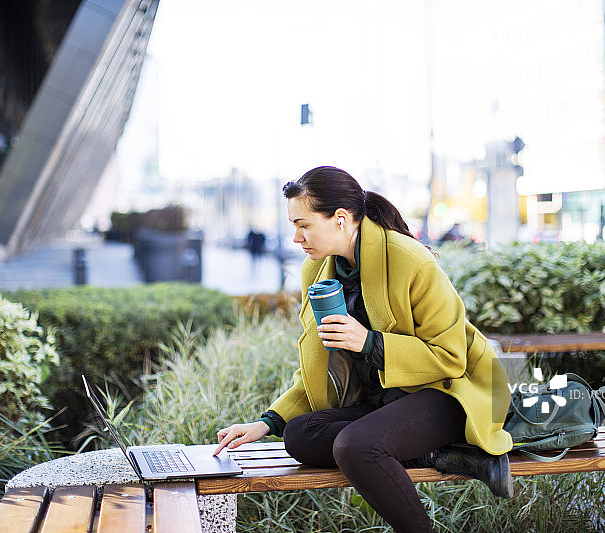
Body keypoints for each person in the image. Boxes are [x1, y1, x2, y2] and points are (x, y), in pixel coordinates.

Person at [214, 166, 513, 533]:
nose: (296, 237)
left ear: (340, 219)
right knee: (299, 435)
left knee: (356, 446)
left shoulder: (411, 260)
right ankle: (444, 455)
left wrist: (370, 342)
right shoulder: (318, 271)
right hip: (383, 402)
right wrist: (268, 421)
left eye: (303, 224)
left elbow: (451, 356)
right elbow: (317, 363)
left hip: (449, 394)